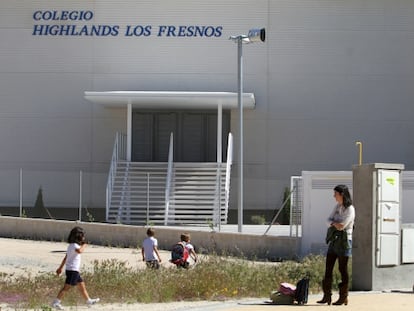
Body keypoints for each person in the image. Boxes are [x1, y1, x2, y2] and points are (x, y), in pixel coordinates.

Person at [317, 184, 355, 306]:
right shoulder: (337, 206)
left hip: (344, 241)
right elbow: (327, 221)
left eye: (336, 194)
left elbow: (343, 225)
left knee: (342, 269)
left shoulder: (350, 209)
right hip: (334, 240)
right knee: (328, 268)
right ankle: (326, 296)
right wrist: (334, 223)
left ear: (342, 194)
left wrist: (334, 223)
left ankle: (343, 296)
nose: (334, 196)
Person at [52, 226, 100, 310]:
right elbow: (80, 251)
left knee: (82, 285)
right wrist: (84, 245)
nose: (84, 237)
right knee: (66, 288)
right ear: (78, 236)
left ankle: (88, 300)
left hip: (73, 270)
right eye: (82, 236)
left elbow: (66, 257)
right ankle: (56, 302)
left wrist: (60, 268)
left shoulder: (71, 245)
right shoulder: (74, 246)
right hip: (72, 270)